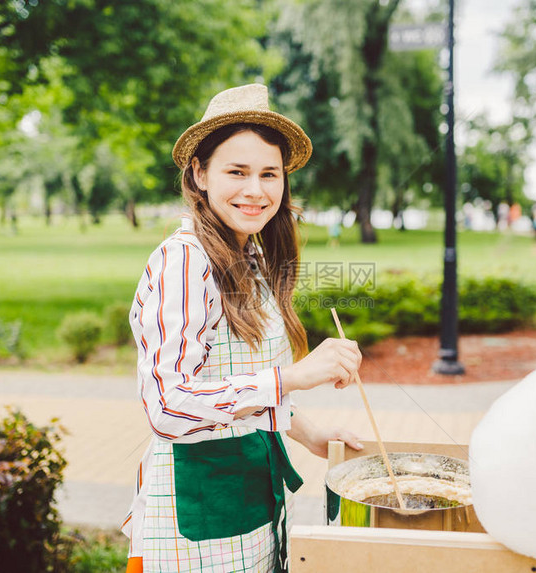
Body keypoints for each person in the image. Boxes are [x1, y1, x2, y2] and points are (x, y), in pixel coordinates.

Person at [122, 84, 364, 573]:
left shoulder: (249, 254)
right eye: (237, 171)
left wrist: (312, 434)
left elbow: (246, 382)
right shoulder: (185, 260)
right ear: (199, 173)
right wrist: (296, 376)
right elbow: (168, 404)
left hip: (254, 500)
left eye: (269, 174)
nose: (256, 190)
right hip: (197, 519)